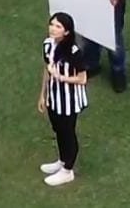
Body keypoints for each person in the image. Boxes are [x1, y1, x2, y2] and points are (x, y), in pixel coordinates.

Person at [38, 12, 88, 187]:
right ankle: (62, 161)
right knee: (58, 130)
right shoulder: (47, 45)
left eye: (58, 26)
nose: (53, 28)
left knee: (68, 133)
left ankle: (68, 170)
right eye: (52, 24)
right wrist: (42, 94)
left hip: (69, 100)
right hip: (54, 97)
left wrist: (60, 77)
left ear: (67, 32)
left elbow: (82, 78)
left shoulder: (74, 52)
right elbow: (47, 69)